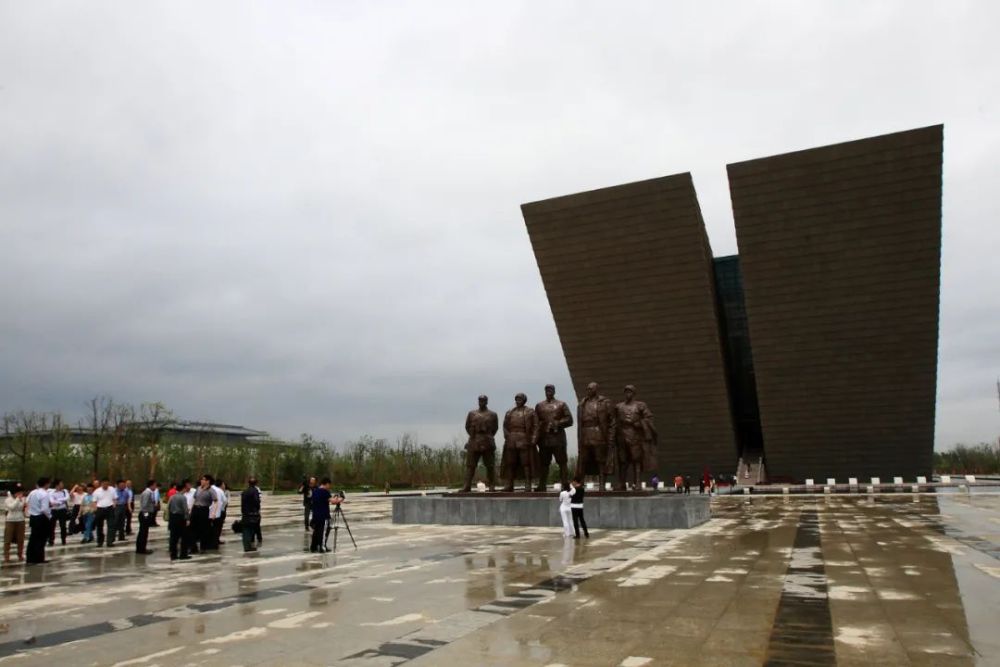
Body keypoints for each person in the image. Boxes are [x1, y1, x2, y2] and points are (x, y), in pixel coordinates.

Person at [613, 385, 657, 491]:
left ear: (634, 393)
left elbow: (649, 417)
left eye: (630, 392)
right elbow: (614, 421)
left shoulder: (640, 405)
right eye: (626, 392)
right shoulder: (618, 406)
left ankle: (637, 482)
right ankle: (621, 483)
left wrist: (640, 423)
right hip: (621, 436)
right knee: (622, 461)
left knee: (636, 460)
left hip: (635, 436)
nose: (627, 394)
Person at [534, 384, 574, 492]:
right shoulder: (539, 406)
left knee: (562, 462)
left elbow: (570, 419)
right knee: (544, 463)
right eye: (546, 390)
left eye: (550, 390)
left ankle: (565, 484)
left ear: (554, 391)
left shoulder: (561, 404)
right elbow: (535, 423)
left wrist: (557, 423)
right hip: (544, 439)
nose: (548, 392)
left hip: (558, 438)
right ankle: (542, 485)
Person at [576, 383, 614, 493]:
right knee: (583, 460)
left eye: (591, 388)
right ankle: (580, 484)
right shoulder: (582, 403)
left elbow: (612, 421)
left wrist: (610, 437)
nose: (588, 390)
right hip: (585, 434)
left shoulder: (605, 402)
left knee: (601, 460)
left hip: (599, 433)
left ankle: (602, 484)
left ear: (596, 389)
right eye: (587, 388)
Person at [461, 395, 499, 493]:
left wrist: (487, 436)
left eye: (483, 400)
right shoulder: (472, 414)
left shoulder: (493, 414)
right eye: (480, 400)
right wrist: (475, 436)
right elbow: (467, 426)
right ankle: (467, 485)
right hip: (474, 441)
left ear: (486, 402)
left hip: (487, 441)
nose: (481, 402)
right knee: (470, 465)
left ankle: (492, 485)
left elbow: (495, 428)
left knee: (490, 465)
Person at [501, 393, 538, 492]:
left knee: (526, 463)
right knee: (510, 463)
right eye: (517, 399)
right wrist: (507, 436)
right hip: (512, 439)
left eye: (520, 399)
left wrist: (534, 439)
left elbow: (536, 426)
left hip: (524, 439)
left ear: (524, 400)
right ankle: (509, 484)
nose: (518, 401)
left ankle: (528, 483)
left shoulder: (530, 411)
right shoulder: (509, 412)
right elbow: (504, 426)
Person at [26, 477, 52, 564]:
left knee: (33, 538)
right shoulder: (44, 494)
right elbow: (44, 508)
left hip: (33, 517)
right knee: (41, 539)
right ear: (46, 484)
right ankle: (39, 558)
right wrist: (49, 516)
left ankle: (30, 558)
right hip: (41, 518)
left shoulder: (33, 492)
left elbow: (27, 502)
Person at [167, 479, 192, 561]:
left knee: (173, 537)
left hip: (173, 518)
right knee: (184, 537)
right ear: (183, 489)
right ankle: (183, 554)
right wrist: (187, 519)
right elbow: (185, 510)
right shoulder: (183, 497)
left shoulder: (171, 497)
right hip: (180, 518)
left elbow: (169, 507)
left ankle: (173, 554)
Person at [3, 484, 27, 563]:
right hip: (10, 520)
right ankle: (6, 555)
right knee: (8, 539)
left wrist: (21, 501)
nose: (21, 494)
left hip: (20, 519)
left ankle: (20, 554)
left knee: (20, 539)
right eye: (19, 492)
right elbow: (12, 507)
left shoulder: (22, 499)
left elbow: (22, 507)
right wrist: (17, 499)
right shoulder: (8, 499)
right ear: (15, 492)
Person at [192, 475, 216, 551]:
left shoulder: (211, 490)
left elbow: (215, 502)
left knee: (203, 529)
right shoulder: (198, 488)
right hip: (195, 509)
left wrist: (213, 513)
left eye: (203, 479)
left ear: (208, 481)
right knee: (193, 529)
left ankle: (204, 546)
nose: (201, 481)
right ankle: (193, 547)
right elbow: (194, 499)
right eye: (201, 479)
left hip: (204, 510)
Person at [309, 477, 333, 553]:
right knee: (323, 532)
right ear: (327, 484)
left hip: (315, 515)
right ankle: (322, 547)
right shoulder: (325, 492)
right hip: (323, 515)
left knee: (316, 531)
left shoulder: (315, 491)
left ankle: (313, 547)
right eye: (329, 485)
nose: (329, 487)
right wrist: (341, 498)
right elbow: (333, 501)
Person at [134, 479, 158, 555]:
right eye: (155, 485)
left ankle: (141, 548)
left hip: (146, 514)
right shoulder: (147, 493)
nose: (155, 487)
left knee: (144, 532)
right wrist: (146, 516)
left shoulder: (149, 492)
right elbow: (144, 506)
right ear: (151, 485)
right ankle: (141, 549)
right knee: (143, 532)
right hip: (145, 514)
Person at [92, 478, 117, 547]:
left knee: (111, 525)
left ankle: (110, 541)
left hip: (110, 508)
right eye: (104, 484)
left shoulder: (112, 489)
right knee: (99, 526)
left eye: (107, 484)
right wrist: (95, 510)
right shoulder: (97, 491)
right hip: (100, 509)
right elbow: (94, 501)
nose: (105, 485)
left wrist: (114, 506)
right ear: (101, 484)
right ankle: (100, 541)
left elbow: (115, 498)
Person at [240, 477, 261, 553]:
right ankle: (248, 546)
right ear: (256, 483)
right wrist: (257, 510)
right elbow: (256, 502)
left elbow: (242, 504)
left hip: (245, 513)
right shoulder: (255, 491)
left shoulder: (244, 491)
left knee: (245, 530)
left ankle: (246, 546)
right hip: (252, 514)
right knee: (251, 530)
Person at [48, 479, 70, 546]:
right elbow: (52, 501)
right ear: (57, 485)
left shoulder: (64, 491)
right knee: (52, 526)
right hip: (54, 511)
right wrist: (60, 502)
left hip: (62, 510)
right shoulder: (51, 492)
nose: (62, 485)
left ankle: (63, 540)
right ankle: (51, 540)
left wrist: (57, 501)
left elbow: (67, 498)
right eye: (61, 483)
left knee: (63, 526)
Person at [211, 480, 229, 545]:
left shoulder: (210, 488)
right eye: (223, 484)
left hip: (209, 512)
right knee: (218, 527)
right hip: (219, 512)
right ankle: (216, 540)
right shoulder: (220, 491)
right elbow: (225, 501)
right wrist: (222, 508)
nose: (224, 486)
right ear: (221, 485)